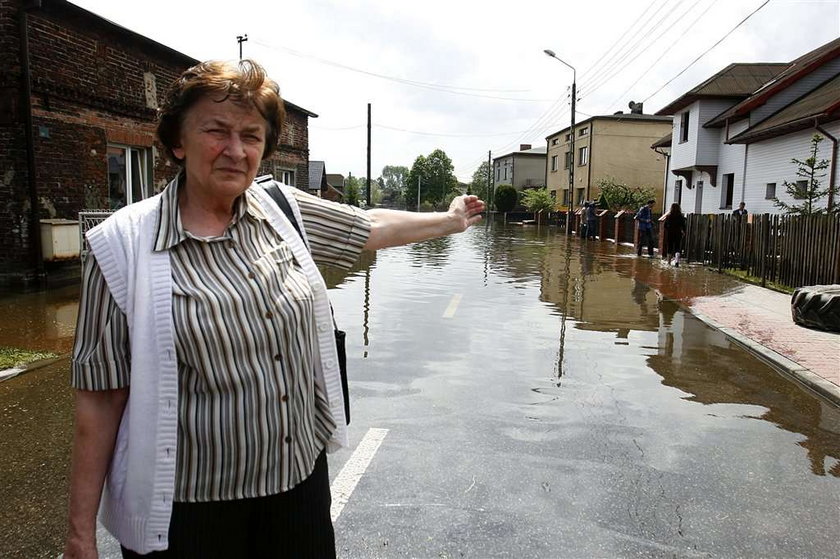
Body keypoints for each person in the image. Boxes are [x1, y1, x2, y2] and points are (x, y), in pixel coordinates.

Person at [63, 59, 485, 559]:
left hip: (297, 489)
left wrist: (451, 220)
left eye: (251, 135)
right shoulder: (120, 246)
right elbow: (101, 398)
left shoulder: (281, 210)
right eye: (216, 131)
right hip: (191, 510)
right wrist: (79, 534)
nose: (236, 150)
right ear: (178, 142)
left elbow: (367, 225)